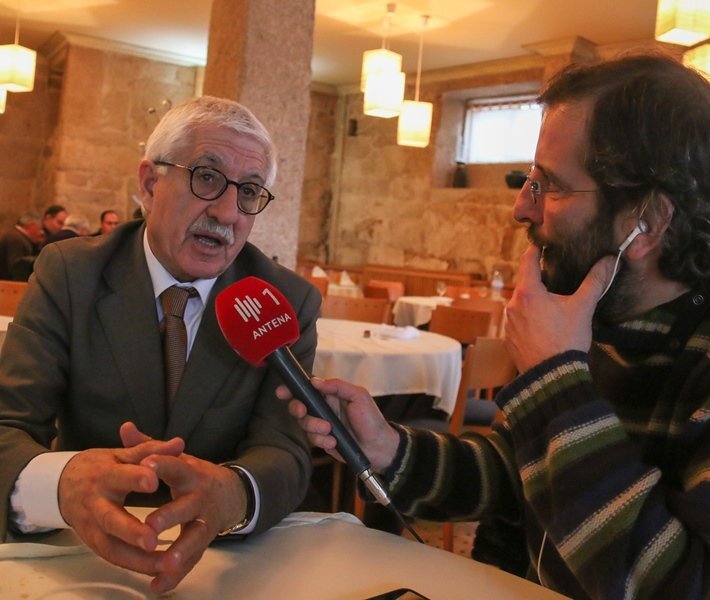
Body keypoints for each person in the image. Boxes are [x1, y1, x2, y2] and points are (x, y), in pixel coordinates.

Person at [279, 53, 710, 599]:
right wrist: (391, 451)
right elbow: (517, 476)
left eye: (549, 186)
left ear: (645, 221)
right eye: (529, 181)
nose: (520, 209)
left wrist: (557, 383)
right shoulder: (597, 322)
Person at [0, 96, 320, 594]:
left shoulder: (286, 301)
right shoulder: (69, 273)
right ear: (150, 184)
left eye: (249, 191)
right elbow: (8, 425)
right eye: (207, 178)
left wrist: (233, 494)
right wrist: (62, 485)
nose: (228, 212)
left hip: (228, 567)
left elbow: (285, 449)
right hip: (80, 557)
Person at [0, 213, 44, 281]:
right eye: (40, 228)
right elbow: (16, 267)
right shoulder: (15, 239)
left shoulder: (17, 236)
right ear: (31, 226)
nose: (41, 232)